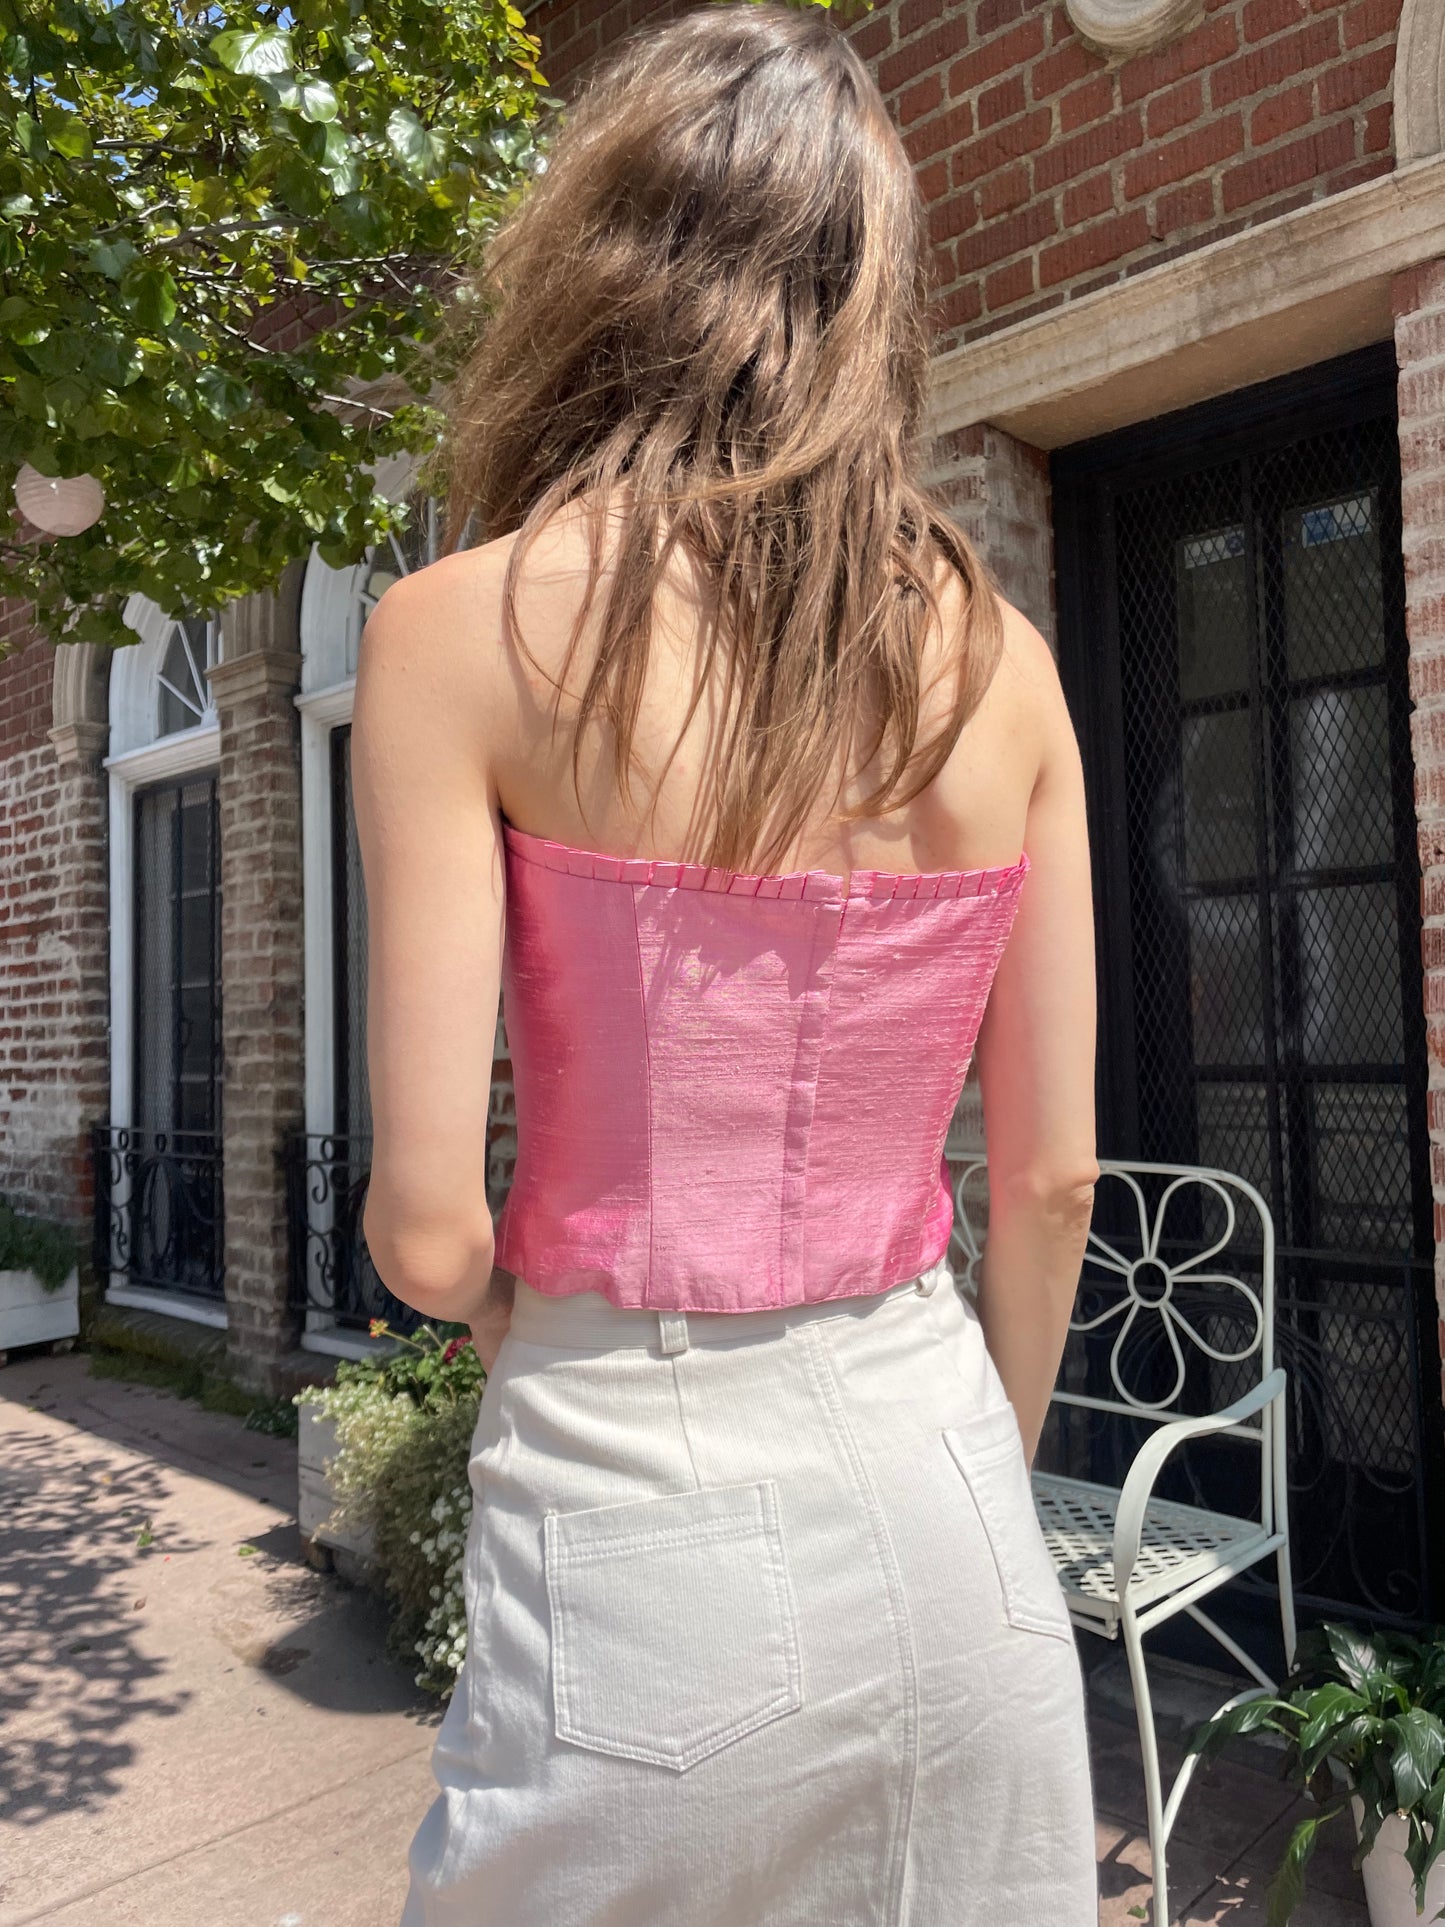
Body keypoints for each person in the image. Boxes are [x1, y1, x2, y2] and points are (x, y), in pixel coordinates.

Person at [350, 6, 1100, 1923]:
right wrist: (970, 1463)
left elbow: (429, 1225)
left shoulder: (457, 636)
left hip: (637, 1491)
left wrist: (505, 1314)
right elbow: (1043, 1180)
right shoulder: (1003, 663)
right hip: (953, 1492)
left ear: (600, 265)